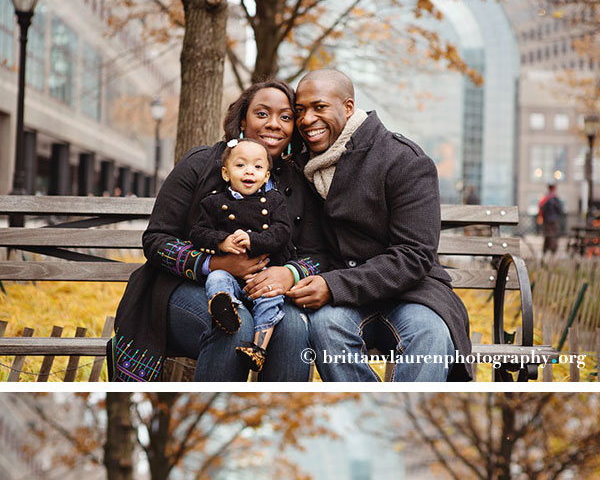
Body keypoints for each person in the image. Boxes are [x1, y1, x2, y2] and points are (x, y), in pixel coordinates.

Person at [112, 79, 310, 383]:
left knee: (294, 326)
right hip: (182, 288)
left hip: (265, 292)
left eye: (285, 117)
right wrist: (216, 264)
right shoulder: (201, 163)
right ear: (242, 119)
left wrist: (290, 273)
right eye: (262, 114)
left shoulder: (297, 182)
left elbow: (319, 251)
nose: (274, 124)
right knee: (233, 323)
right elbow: (156, 240)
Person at [284, 67, 471, 383]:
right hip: (344, 306)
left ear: (348, 107)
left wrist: (333, 285)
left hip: (413, 294)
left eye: (319, 107)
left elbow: (414, 255)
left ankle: (405, 421)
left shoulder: (403, 160)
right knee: (325, 328)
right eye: (300, 110)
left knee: (431, 336)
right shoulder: (303, 168)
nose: (305, 119)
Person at [201, 138, 295, 368]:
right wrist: (221, 242)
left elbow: (282, 232)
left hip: (262, 275)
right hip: (230, 275)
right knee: (216, 278)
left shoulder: (274, 201)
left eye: (257, 167)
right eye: (240, 165)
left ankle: (258, 349)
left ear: (266, 176)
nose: (249, 172)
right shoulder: (214, 202)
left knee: (270, 298)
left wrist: (254, 240)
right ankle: (226, 310)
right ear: (226, 173)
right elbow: (198, 232)